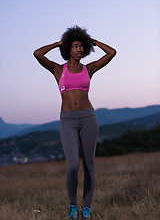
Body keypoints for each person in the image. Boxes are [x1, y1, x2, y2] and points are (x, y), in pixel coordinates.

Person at [33, 26, 116, 219]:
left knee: (89, 165)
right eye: (75, 46)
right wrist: (57, 43)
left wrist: (92, 41)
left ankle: (86, 208)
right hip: (68, 121)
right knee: (72, 165)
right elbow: (37, 54)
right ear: (68, 49)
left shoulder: (89, 68)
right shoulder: (57, 69)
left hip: (89, 118)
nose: (79, 50)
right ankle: (72, 205)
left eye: (81, 47)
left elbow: (111, 52)